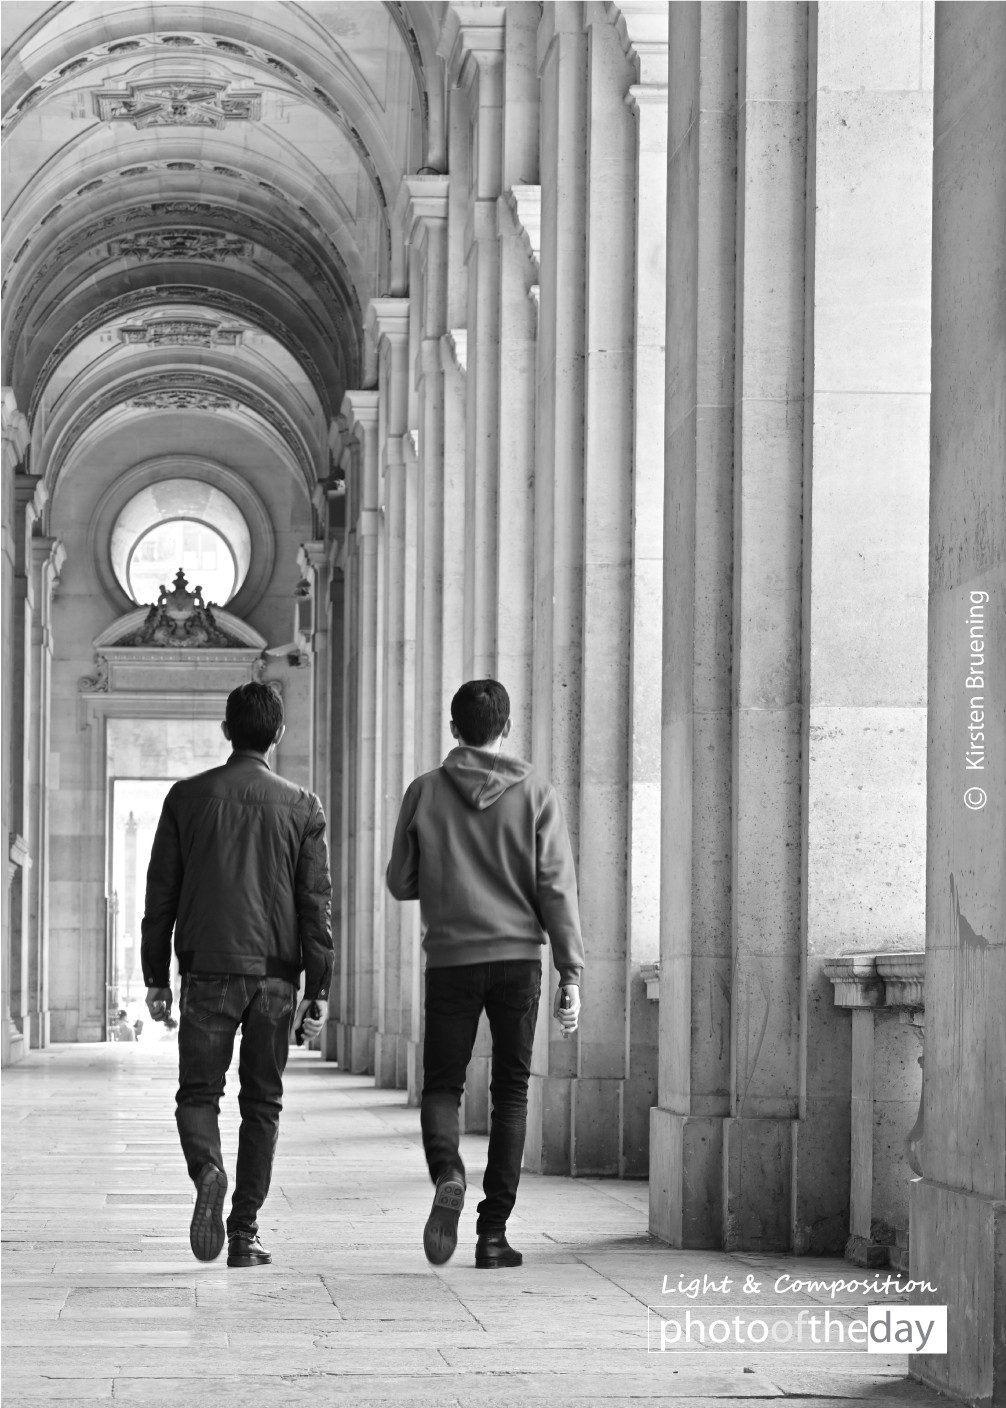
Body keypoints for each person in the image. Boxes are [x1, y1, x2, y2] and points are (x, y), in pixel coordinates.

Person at [386, 679, 584, 1269]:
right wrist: (570, 970)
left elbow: (400, 880)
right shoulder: (537, 792)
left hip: (451, 959)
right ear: (506, 728)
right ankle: (492, 1236)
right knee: (511, 1093)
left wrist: (446, 871)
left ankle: (448, 1171)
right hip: (518, 961)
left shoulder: (425, 790)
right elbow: (556, 887)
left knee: (443, 1086)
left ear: (454, 729)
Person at [141, 681, 333, 1268]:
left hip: (207, 970)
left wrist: (155, 976)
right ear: (278, 734)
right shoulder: (303, 806)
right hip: (275, 978)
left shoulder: (186, 797)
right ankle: (244, 1232)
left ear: (227, 731)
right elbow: (316, 905)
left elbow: (160, 895)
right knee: (263, 1102)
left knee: (199, 1092)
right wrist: (319, 987)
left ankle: (208, 1170)